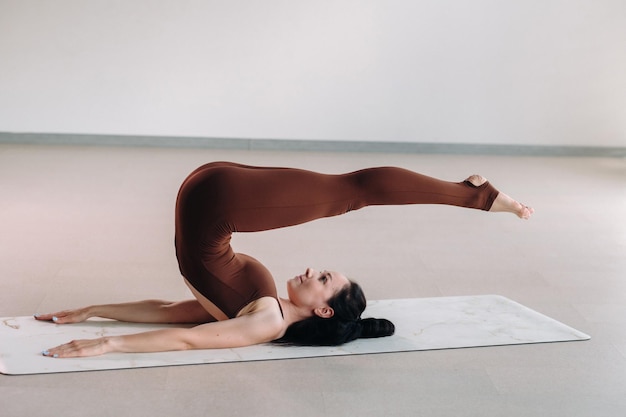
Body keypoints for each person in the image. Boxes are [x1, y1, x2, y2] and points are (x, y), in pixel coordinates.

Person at [36, 162, 533, 358]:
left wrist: (105, 343)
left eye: (323, 279)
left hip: (218, 203)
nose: (313, 270)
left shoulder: (267, 323)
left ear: (322, 309)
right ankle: (476, 197)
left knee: (354, 190)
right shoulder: (265, 304)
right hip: (214, 199)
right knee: (351, 189)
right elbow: (170, 310)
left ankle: (479, 196)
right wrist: (91, 310)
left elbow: (186, 338)